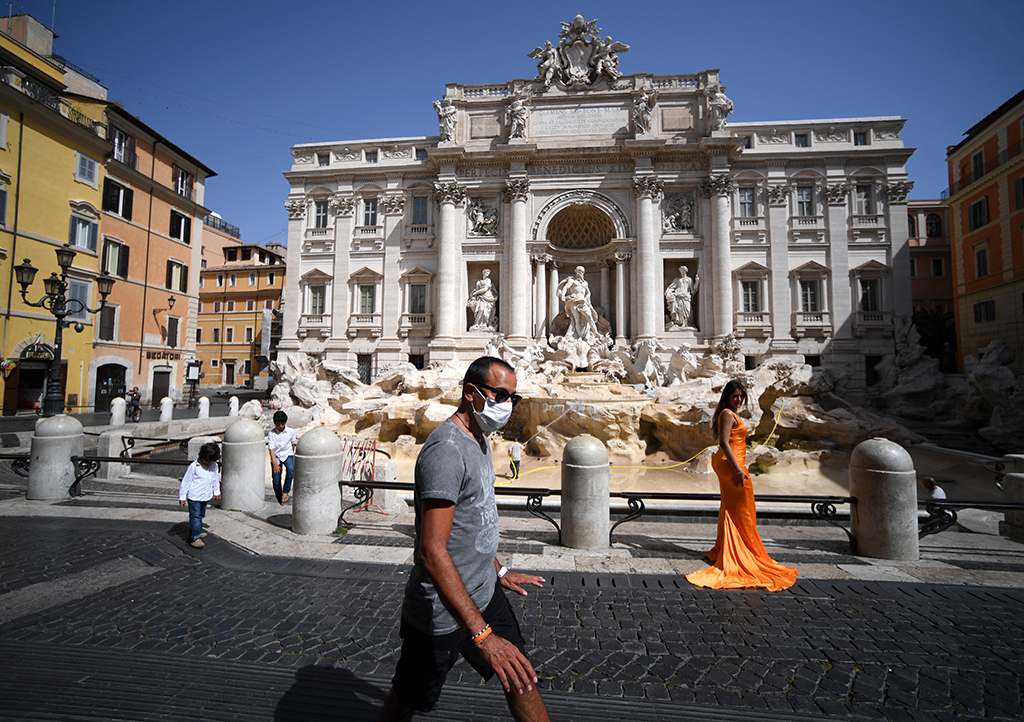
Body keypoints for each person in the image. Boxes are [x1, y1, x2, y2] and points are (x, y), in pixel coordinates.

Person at [378, 357, 550, 722]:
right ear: (471, 393)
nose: (508, 405)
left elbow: (472, 524)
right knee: (409, 697)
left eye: (513, 398)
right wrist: (483, 636)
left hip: (485, 593)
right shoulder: (447, 451)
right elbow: (431, 551)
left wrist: (499, 571)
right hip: (441, 611)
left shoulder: (480, 439)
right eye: (501, 394)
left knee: (521, 678)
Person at [686, 380, 798, 591]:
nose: (738, 400)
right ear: (727, 397)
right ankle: (742, 552)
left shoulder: (731, 413)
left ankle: (727, 549)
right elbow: (724, 443)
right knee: (743, 508)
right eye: (735, 396)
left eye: (741, 396)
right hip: (732, 465)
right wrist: (738, 470)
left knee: (731, 507)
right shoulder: (727, 414)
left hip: (733, 463)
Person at [179, 442, 221, 549]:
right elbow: (186, 481)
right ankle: (195, 538)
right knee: (195, 516)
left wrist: (216, 491)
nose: (208, 463)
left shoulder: (214, 466)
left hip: (205, 495)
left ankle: (195, 532)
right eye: (206, 461)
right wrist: (182, 496)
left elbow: (215, 479)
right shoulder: (194, 466)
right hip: (194, 496)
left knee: (201, 515)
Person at [556, 265, 600, 342]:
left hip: (583, 301)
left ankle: (596, 333)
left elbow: (588, 292)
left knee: (589, 316)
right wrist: (563, 295)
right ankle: (580, 337)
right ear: (576, 272)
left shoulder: (585, 283)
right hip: (573, 300)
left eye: (582, 272)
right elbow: (566, 287)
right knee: (577, 319)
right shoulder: (572, 281)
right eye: (579, 271)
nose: (580, 273)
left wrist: (587, 298)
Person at [268, 410, 297, 505]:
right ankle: (279, 497)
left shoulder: (290, 432)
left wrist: (291, 454)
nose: (280, 426)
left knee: (290, 469)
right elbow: (271, 449)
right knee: (276, 481)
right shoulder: (271, 434)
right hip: (276, 456)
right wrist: (275, 464)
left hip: (287, 453)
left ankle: (286, 491)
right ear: (275, 423)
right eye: (278, 424)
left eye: (282, 424)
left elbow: (293, 444)